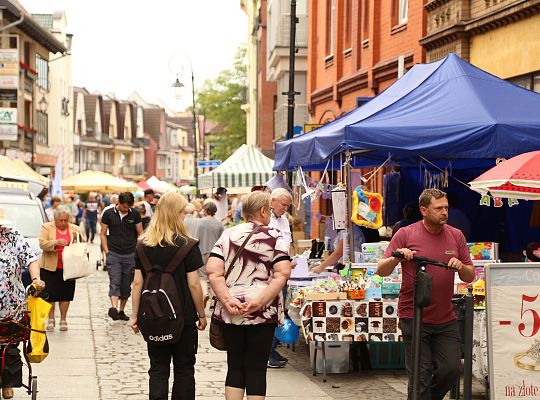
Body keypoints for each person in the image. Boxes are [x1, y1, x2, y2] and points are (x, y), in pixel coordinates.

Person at [376, 188, 475, 400]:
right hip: (414, 316)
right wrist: (397, 258)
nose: (444, 212)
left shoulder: (456, 236)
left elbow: (469, 275)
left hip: (445, 317)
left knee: (451, 370)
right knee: (420, 375)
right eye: (438, 208)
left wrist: (461, 267)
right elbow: (381, 270)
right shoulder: (405, 234)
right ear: (423, 210)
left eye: (446, 207)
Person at [206, 191, 291, 400]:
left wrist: (227, 299)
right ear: (263, 211)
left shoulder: (228, 234)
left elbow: (213, 270)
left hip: (231, 310)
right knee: (257, 367)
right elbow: (283, 272)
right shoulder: (274, 236)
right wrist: (260, 301)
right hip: (263, 311)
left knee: (235, 366)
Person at [131, 191, 206, 400]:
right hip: (184, 316)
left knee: (158, 367)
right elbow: (194, 284)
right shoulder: (188, 245)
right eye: (182, 212)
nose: (184, 216)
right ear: (175, 213)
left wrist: (135, 315)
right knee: (184, 367)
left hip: (153, 316)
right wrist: (201, 314)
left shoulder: (142, 244)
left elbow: (137, 283)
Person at [0, 207, 45, 399]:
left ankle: (7, 384)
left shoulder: (12, 236)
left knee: (9, 346)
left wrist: (36, 279)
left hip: (12, 305)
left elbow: (30, 258)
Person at [101, 192, 143, 321]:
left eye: (128, 207)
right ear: (118, 202)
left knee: (126, 284)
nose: (126, 209)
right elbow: (103, 233)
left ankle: (121, 310)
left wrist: (138, 251)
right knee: (115, 280)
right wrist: (107, 251)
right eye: (124, 207)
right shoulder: (108, 214)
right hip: (113, 253)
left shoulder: (134, 214)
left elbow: (140, 233)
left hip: (130, 254)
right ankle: (113, 308)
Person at [39, 206, 82, 332]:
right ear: (55, 219)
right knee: (50, 295)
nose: (63, 223)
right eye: (60, 220)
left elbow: (81, 245)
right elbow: (42, 244)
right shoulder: (46, 227)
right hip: (50, 267)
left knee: (65, 295)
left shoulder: (75, 229)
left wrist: (75, 244)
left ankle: (63, 319)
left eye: (65, 220)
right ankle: (51, 319)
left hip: (69, 267)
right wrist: (56, 242)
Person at [267, 188, 294, 368]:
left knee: (280, 312)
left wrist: (291, 259)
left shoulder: (284, 220)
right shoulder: (264, 219)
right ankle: (268, 353)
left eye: (287, 206)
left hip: (284, 271)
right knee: (272, 312)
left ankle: (270, 350)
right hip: (270, 274)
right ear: (272, 201)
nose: (285, 208)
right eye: (283, 205)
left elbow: (289, 244)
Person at [195, 202, 224, 307]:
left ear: (205, 210)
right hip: (216, 254)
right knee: (214, 276)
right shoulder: (219, 224)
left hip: (202, 252)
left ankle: (205, 293)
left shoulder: (200, 223)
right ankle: (213, 301)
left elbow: (196, 239)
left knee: (202, 276)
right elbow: (222, 241)